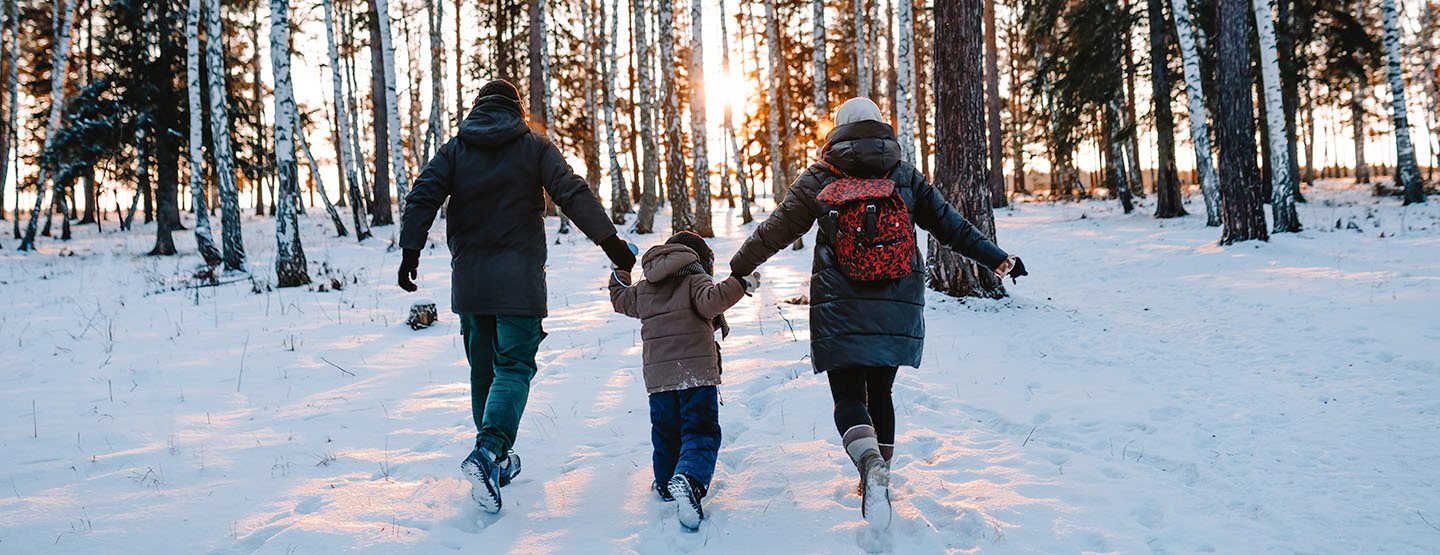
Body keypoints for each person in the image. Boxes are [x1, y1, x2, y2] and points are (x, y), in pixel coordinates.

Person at [728, 97, 1023, 528]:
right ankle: (878, 477)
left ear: (839, 129)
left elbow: (776, 228)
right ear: (880, 127)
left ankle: (868, 465)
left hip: (839, 305)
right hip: (897, 303)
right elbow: (951, 226)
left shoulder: (820, 177)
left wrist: (739, 266)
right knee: (880, 393)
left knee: (848, 396)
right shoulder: (904, 176)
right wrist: (998, 259)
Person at [397, 79, 638, 514]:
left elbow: (422, 195)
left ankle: (498, 459)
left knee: (484, 371)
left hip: (470, 283)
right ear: (517, 109)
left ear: (478, 108)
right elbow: (572, 192)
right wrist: (611, 243)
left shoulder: (455, 150)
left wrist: (410, 250)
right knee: (515, 365)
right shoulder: (534, 147)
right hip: (521, 282)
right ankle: (489, 453)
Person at [608, 231, 760, 531]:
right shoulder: (695, 278)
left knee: (665, 433)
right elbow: (712, 302)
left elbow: (619, 299)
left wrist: (619, 270)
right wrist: (742, 283)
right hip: (696, 375)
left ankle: (666, 485)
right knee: (700, 431)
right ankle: (689, 480)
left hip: (659, 380)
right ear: (701, 260)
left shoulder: (644, 288)